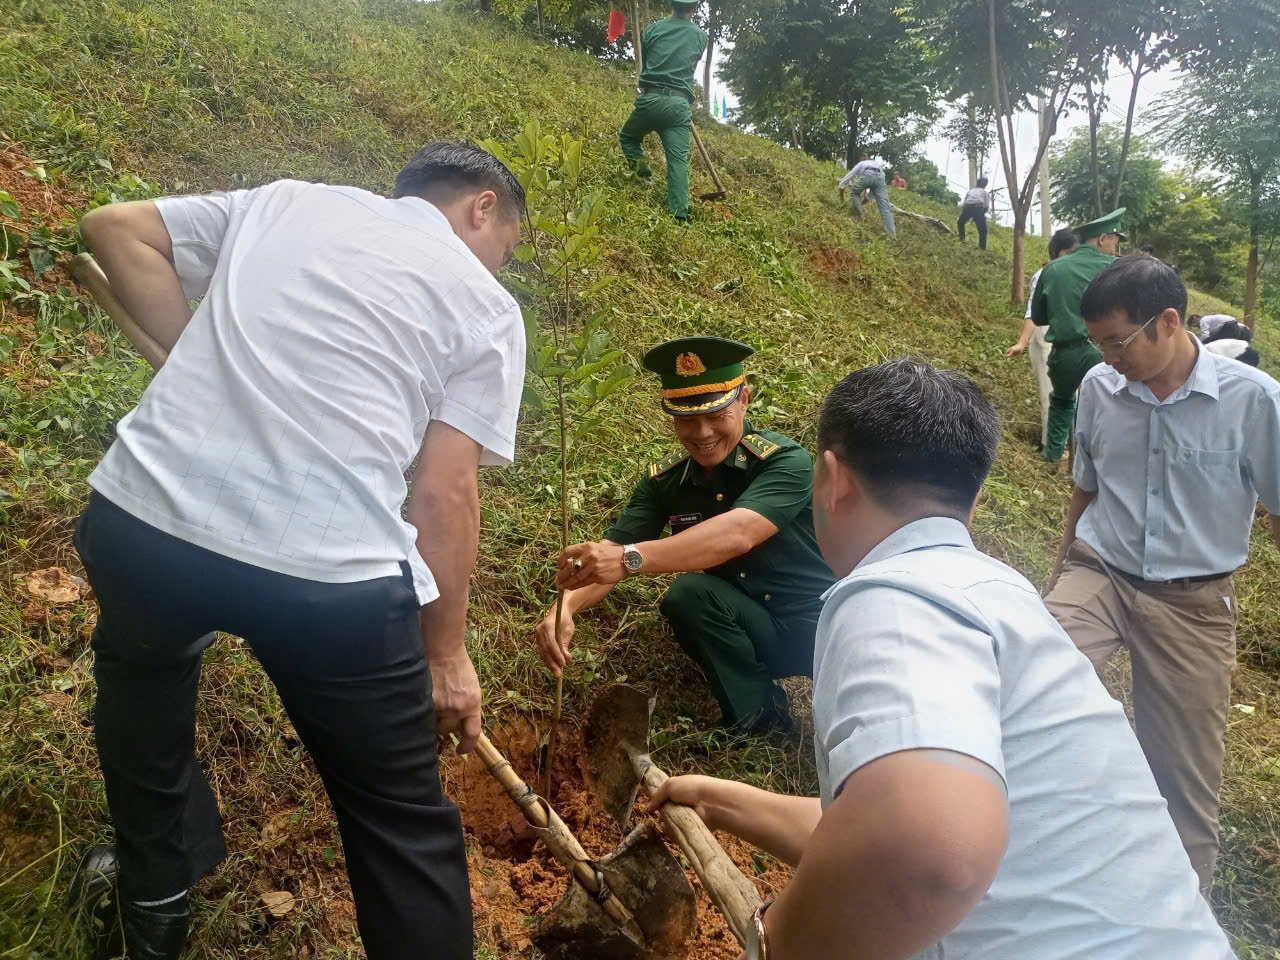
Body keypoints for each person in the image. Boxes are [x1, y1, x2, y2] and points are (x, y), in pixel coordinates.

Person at [65, 143, 527, 960]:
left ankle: (156, 900)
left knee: (144, 675)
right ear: (480, 207)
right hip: (330, 581)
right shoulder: (486, 307)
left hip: (142, 526)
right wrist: (446, 655)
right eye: (508, 247)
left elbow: (115, 230)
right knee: (398, 823)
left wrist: (191, 366)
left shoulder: (288, 199)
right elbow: (444, 493)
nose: (500, 265)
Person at [652, 359, 1234, 959]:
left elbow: (929, 853)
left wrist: (781, 943)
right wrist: (719, 801)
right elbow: (877, 829)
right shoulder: (996, 594)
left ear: (831, 479)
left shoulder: (897, 596)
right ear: (974, 499)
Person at [1046, 255, 1280, 894]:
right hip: (1102, 574)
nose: (1108, 357)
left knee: (1184, 780)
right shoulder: (1099, 387)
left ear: (1168, 322)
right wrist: (1060, 573)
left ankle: (1182, 921)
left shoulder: (1253, 401)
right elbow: (1085, 491)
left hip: (1194, 605)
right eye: (1099, 343)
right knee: (1026, 669)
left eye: (1117, 341)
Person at [534, 336, 834, 732]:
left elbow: (737, 533)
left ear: (744, 399)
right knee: (689, 595)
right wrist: (564, 608)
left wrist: (629, 560)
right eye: (687, 420)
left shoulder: (784, 462)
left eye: (717, 416)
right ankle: (760, 718)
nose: (703, 433)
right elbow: (608, 551)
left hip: (824, 631)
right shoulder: (666, 482)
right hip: (751, 627)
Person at [1030, 207, 1127, 462]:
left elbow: (1039, 317)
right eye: (1115, 241)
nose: (1115, 248)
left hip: (1064, 354)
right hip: (1106, 353)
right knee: (1107, 408)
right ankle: (1097, 463)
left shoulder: (1053, 268)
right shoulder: (1120, 269)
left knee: (1062, 401)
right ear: (1102, 239)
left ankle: (1052, 459)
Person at [618, 0, 707, 222]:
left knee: (628, 137)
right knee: (678, 162)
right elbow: (690, 65)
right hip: (679, 106)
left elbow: (647, 65)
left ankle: (642, 171)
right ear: (693, 9)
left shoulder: (653, 29)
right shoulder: (700, 36)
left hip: (650, 99)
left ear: (671, 4)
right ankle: (679, 216)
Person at [1007, 227, 1078, 449]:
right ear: (1061, 252)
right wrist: (1022, 342)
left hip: (1070, 337)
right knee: (1052, 393)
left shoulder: (1075, 274)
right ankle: (1053, 448)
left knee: (1074, 394)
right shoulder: (1045, 275)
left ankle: (1073, 446)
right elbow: (1033, 312)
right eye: (1073, 252)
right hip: (1045, 336)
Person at [838, 153, 896, 237]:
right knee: (885, 207)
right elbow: (871, 195)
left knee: (854, 191)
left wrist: (841, 199)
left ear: (863, 158)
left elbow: (845, 180)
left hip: (868, 174)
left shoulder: (860, 164)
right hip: (881, 177)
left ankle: (861, 216)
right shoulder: (876, 164)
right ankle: (891, 235)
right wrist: (861, 203)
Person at [957, 177, 992, 250]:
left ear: (977, 183)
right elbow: (986, 207)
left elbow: (965, 202)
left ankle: (961, 239)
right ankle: (982, 248)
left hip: (968, 207)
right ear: (985, 185)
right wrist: (980, 215)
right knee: (983, 230)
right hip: (978, 208)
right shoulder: (985, 193)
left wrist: (967, 212)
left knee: (960, 222)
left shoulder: (971, 191)